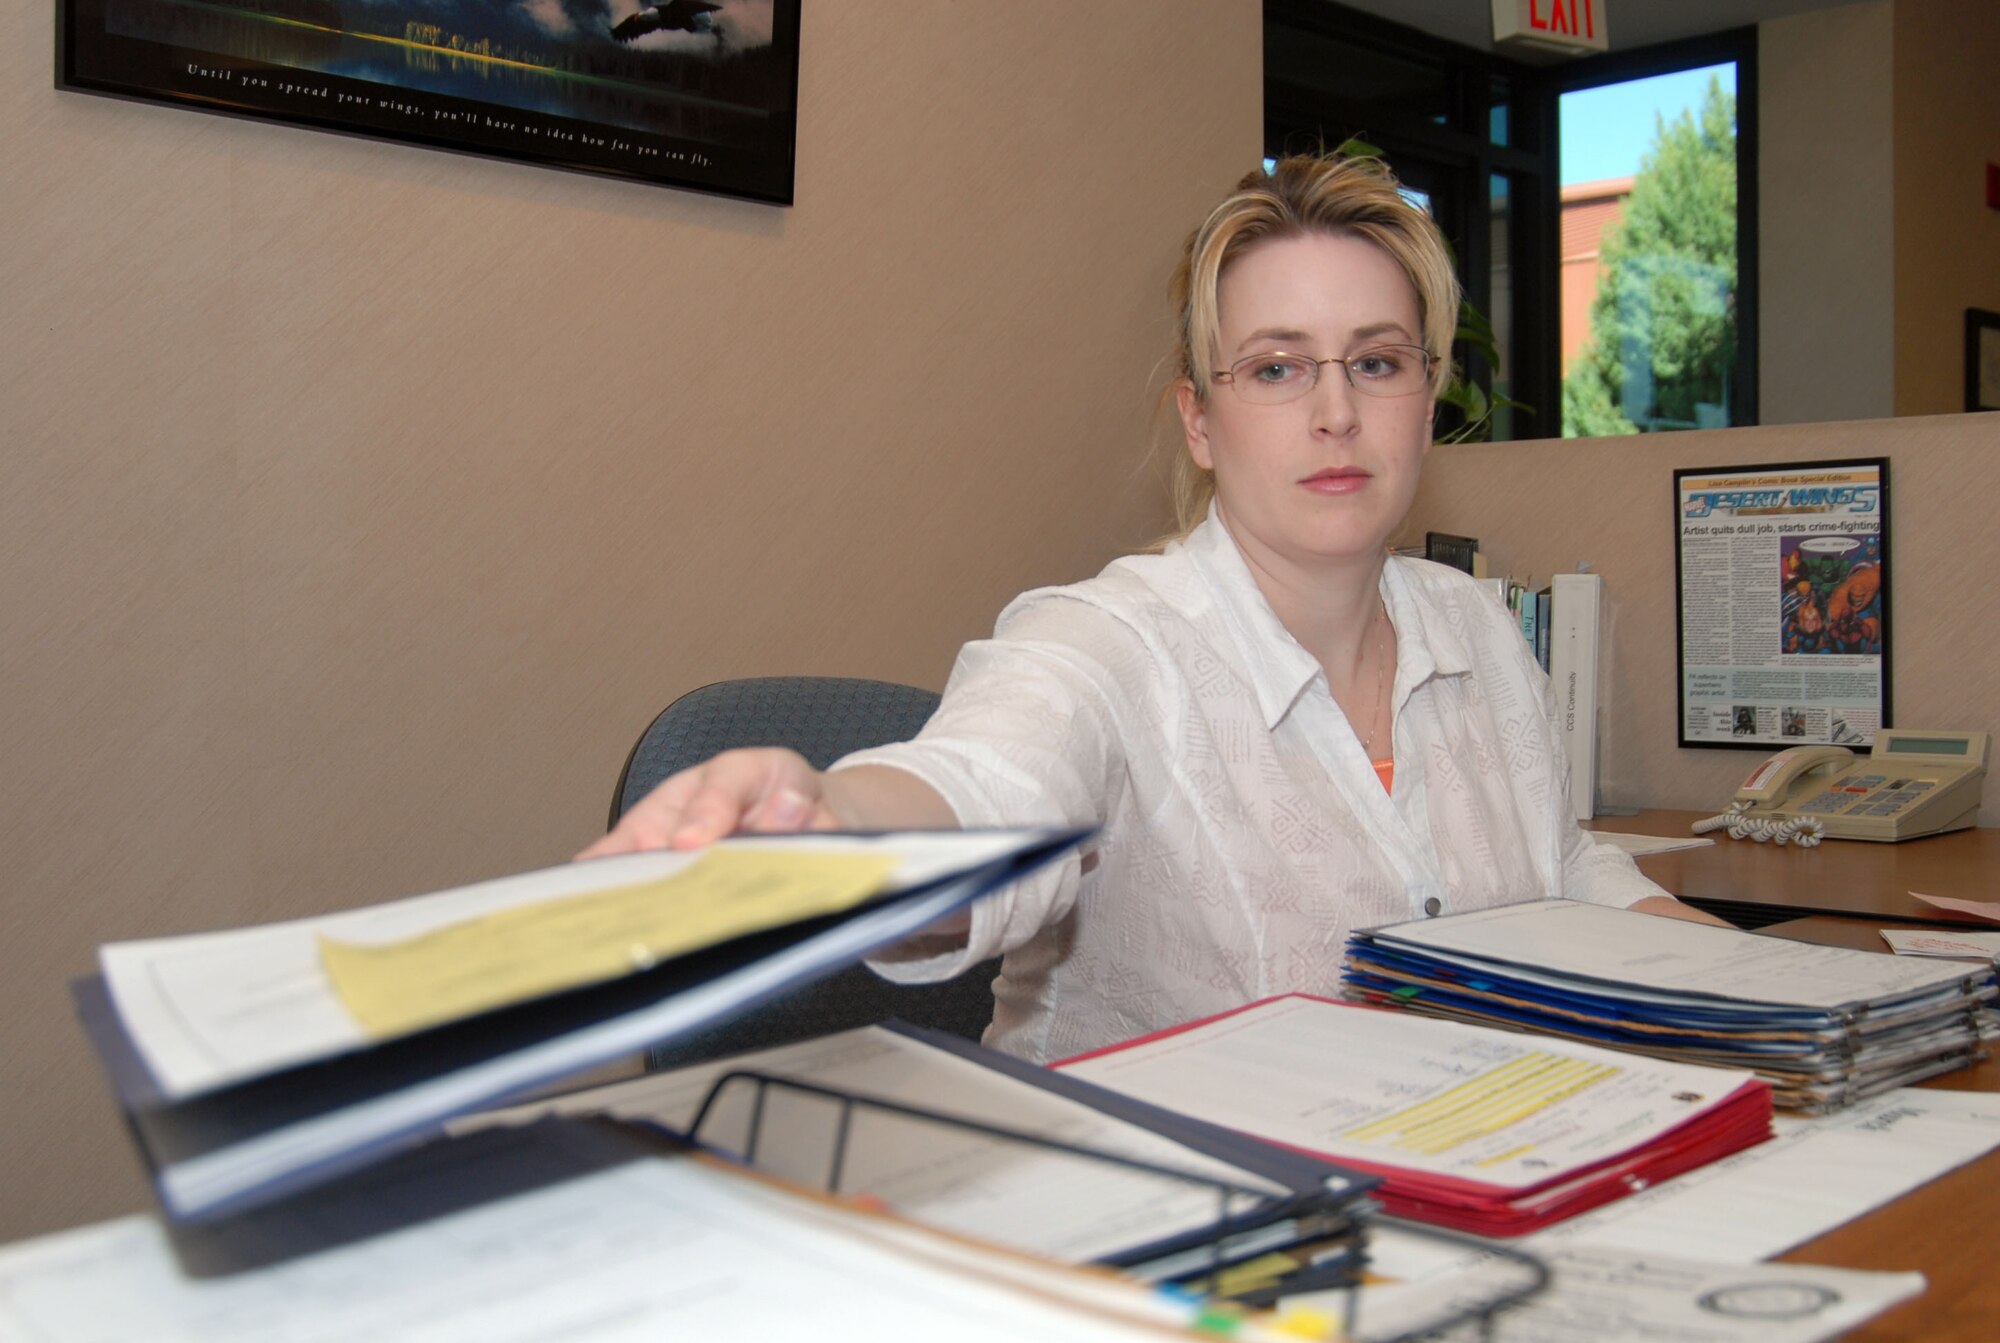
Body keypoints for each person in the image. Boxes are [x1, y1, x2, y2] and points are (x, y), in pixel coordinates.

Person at [583, 154, 1719, 1064]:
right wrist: (833, 828)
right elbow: (989, 785)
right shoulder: (1103, 643)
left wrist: (1824, 999)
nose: (1333, 410)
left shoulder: (1472, 626)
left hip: (1480, 1178)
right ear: (1198, 420)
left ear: (1425, 399)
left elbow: (1565, 872)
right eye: (1275, 369)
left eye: (1374, 362)